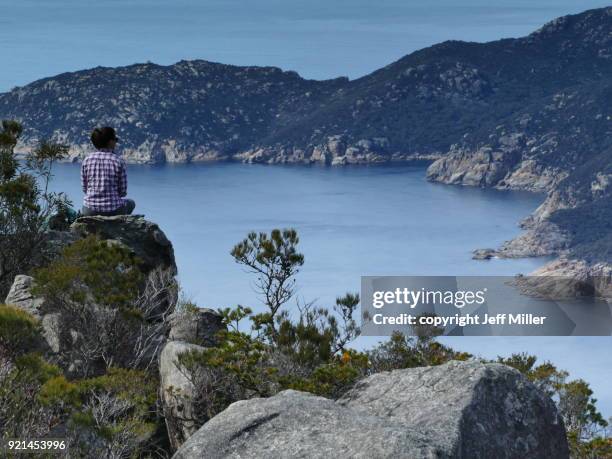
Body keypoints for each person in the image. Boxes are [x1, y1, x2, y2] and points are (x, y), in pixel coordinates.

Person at [81, 127, 136, 217]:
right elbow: (122, 191)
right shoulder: (118, 161)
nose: (116, 142)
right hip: (113, 210)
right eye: (116, 139)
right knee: (131, 203)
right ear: (110, 142)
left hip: (89, 210)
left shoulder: (87, 160)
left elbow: (84, 188)